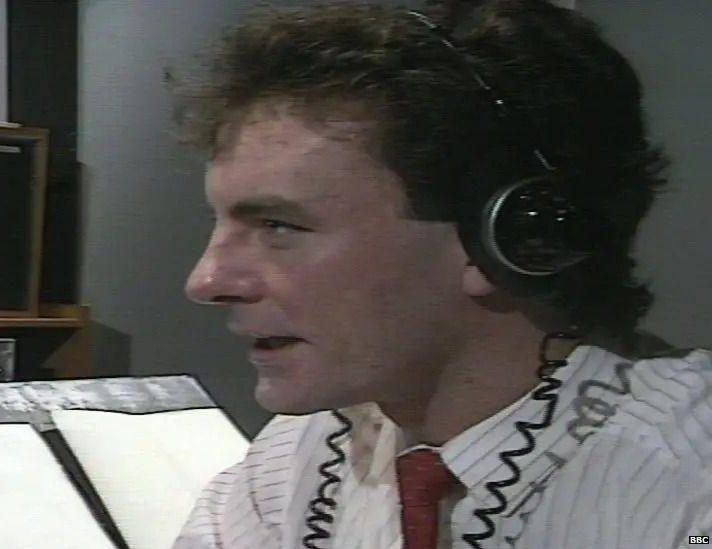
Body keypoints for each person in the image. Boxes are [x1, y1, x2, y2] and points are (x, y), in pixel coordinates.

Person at [165, 0, 712, 548]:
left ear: (507, 235)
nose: (207, 281)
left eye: (279, 226)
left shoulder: (689, 488)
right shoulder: (296, 458)